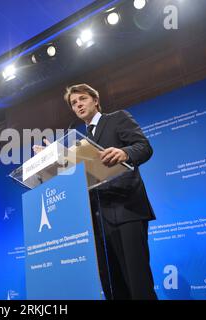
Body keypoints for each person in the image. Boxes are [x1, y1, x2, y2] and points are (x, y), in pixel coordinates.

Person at [65, 83, 157, 300]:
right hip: (98, 221)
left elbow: (144, 147)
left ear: (95, 100)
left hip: (126, 210)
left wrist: (125, 153)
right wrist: (54, 160)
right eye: (73, 103)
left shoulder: (117, 119)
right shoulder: (80, 142)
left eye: (82, 99)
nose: (78, 105)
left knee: (138, 283)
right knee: (112, 287)